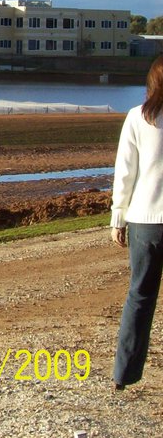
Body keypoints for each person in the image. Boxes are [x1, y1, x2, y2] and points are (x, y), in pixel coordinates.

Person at [111, 54, 163, 390]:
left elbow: (125, 173)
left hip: (145, 220)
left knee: (140, 297)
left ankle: (124, 375)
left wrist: (118, 217)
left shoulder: (137, 118)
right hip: (147, 219)